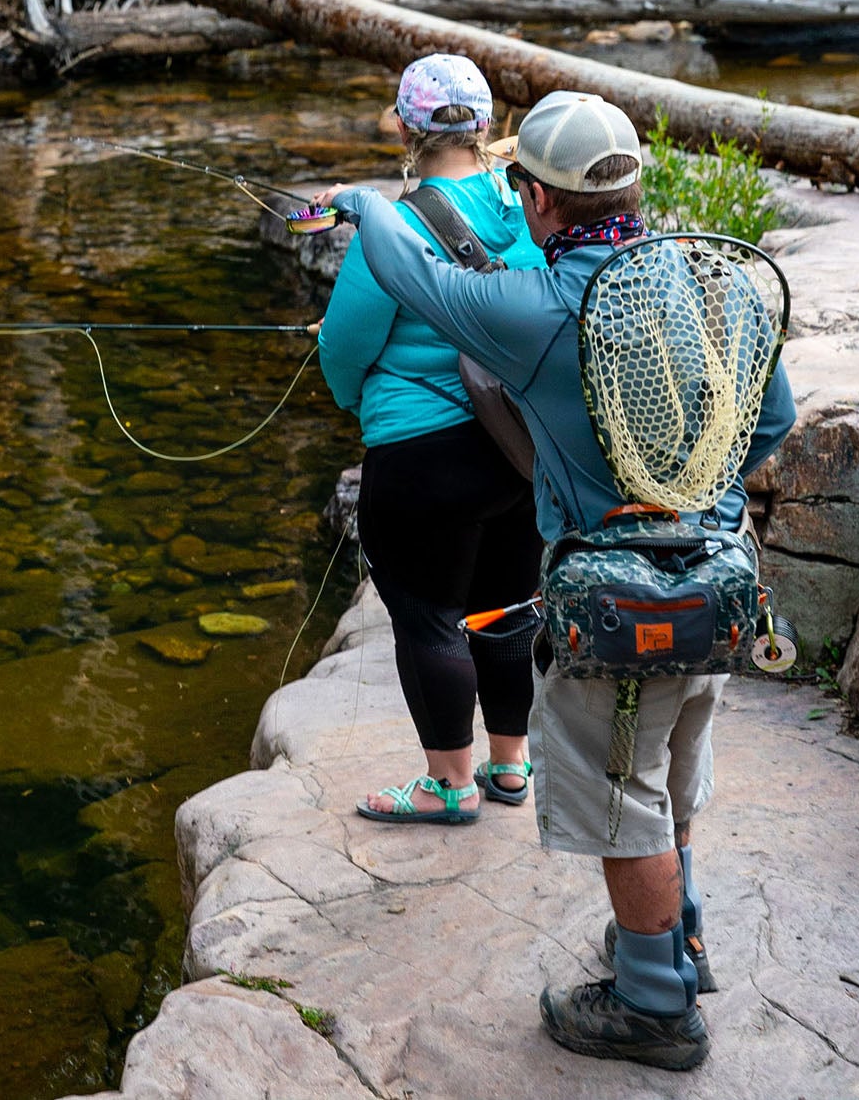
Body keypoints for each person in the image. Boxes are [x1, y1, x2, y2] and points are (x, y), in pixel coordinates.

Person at [314, 92, 796, 1071]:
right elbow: (772, 419)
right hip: (718, 575)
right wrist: (683, 493)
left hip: (625, 605)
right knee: (668, 774)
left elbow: (409, 270)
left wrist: (367, 204)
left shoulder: (531, 309)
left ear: (533, 196)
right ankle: (673, 937)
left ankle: (653, 1003)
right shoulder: (719, 282)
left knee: (621, 799)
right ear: (630, 185)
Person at [317, 54, 545, 826]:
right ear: (486, 125)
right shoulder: (527, 210)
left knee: (428, 617)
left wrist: (359, 404)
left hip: (420, 460)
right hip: (517, 451)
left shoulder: (397, 222)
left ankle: (450, 787)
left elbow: (345, 348)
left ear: (410, 127)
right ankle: (510, 767)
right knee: (510, 607)